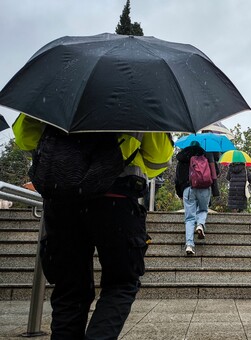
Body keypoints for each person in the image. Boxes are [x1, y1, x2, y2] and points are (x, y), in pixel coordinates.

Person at [12, 113, 174, 340]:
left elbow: (25, 138)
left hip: (62, 197)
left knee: (69, 291)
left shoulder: (57, 86)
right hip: (116, 196)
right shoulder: (138, 99)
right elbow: (158, 157)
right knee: (121, 282)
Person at [174, 141, 211, 255]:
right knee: (203, 210)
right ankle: (200, 224)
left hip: (188, 189)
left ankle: (189, 245)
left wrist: (180, 192)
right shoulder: (204, 157)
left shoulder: (182, 159)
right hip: (204, 187)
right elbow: (215, 173)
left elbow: (177, 178)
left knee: (189, 218)